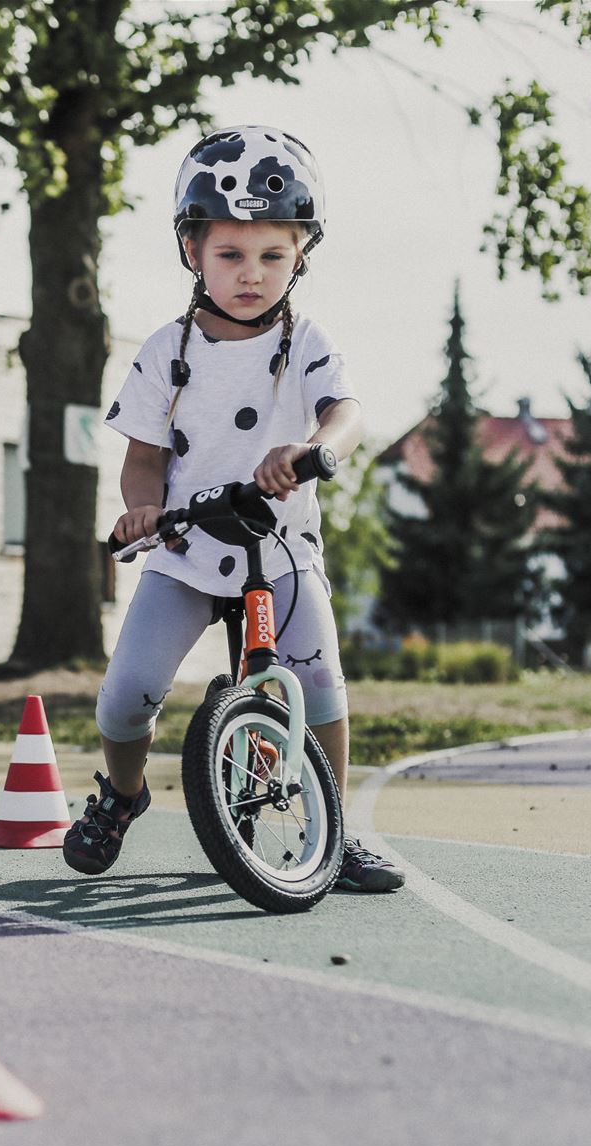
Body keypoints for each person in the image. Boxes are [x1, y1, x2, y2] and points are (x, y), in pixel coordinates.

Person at [63, 125, 403, 892]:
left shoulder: (306, 340)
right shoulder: (165, 351)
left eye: (273, 256)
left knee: (319, 690)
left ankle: (332, 830)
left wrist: (318, 447)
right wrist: (143, 510)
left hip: (279, 549)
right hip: (186, 553)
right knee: (124, 697)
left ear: (301, 254)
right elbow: (143, 459)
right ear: (192, 252)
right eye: (231, 255)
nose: (252, 275)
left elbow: (346, 410)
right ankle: (123, 796)